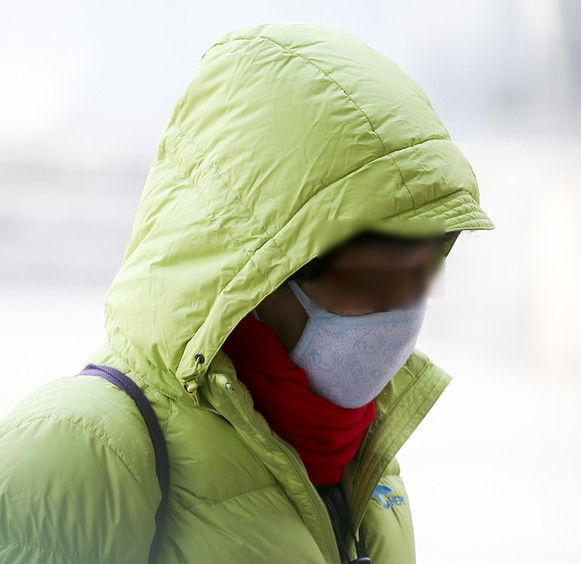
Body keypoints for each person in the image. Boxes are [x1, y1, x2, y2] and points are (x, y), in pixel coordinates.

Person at [0, 22, 494, 564]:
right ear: (258, 275)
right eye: (375, 280)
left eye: (421, 275)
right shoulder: (85, 449)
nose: (406, 313)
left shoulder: (365, 463)